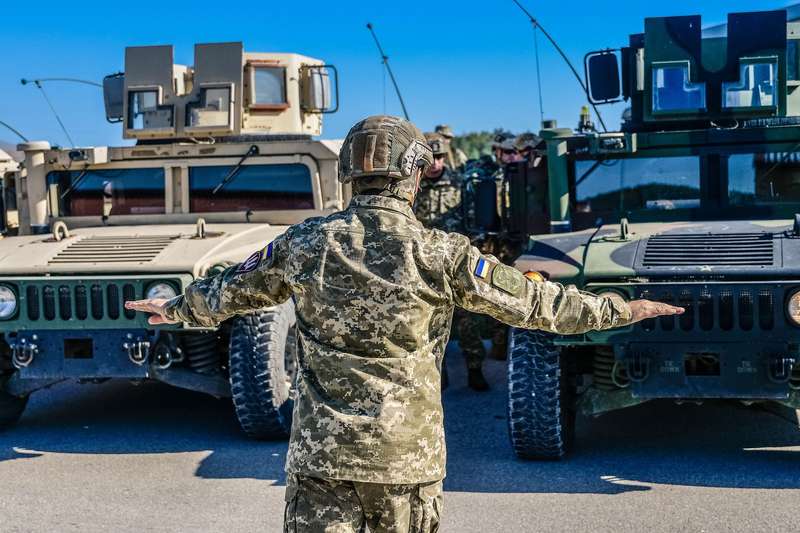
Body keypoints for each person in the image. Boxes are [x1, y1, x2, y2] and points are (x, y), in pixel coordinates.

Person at [126, 115, 683, 533]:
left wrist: (173, 309)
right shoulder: (443, 252)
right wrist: (621, 308)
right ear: (414, 177)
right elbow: (539, 308)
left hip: (323, 459)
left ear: (349, 176)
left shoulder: (303, 243)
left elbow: (226, 294)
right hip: (404, 461)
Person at [414, 132, 490, 391]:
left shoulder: (460, 184)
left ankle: (475, 369)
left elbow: (474, 219)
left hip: (456, 263)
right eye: (431, 157)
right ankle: (438, 373)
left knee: (467, 319)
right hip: (424, 265)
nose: (435, 163)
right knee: (428, 322)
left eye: (440, 157)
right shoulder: (413, 187)